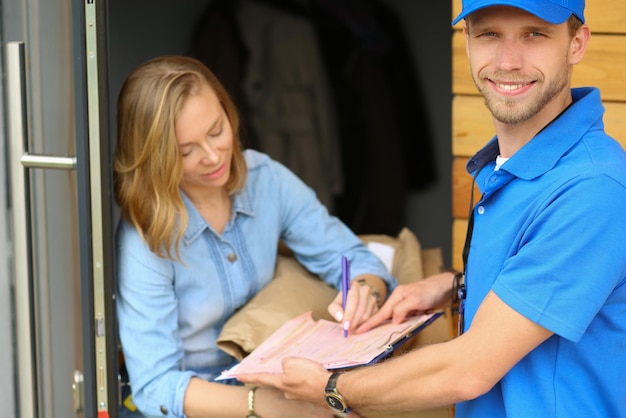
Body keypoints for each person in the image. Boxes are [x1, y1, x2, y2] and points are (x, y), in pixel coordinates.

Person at [239, 1, 626, 417]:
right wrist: (456, 286)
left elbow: (469, 369)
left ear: (576, 44)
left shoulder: (592, 187)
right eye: (489, 34)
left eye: (535, 34)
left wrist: (331, 388)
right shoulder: (512, 164)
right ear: (467, 41)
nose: (508, 61)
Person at [113, 54, 397, 418]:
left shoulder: (267, 180)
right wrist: (260, 405)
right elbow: (155, 388)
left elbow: (353, 258)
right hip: (196, 401)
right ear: (155, 158)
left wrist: (365, 289)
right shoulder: (145, 235)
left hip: (270, 380)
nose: (214, 156)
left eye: (217, 130)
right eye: (186, 151)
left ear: (228, 111)